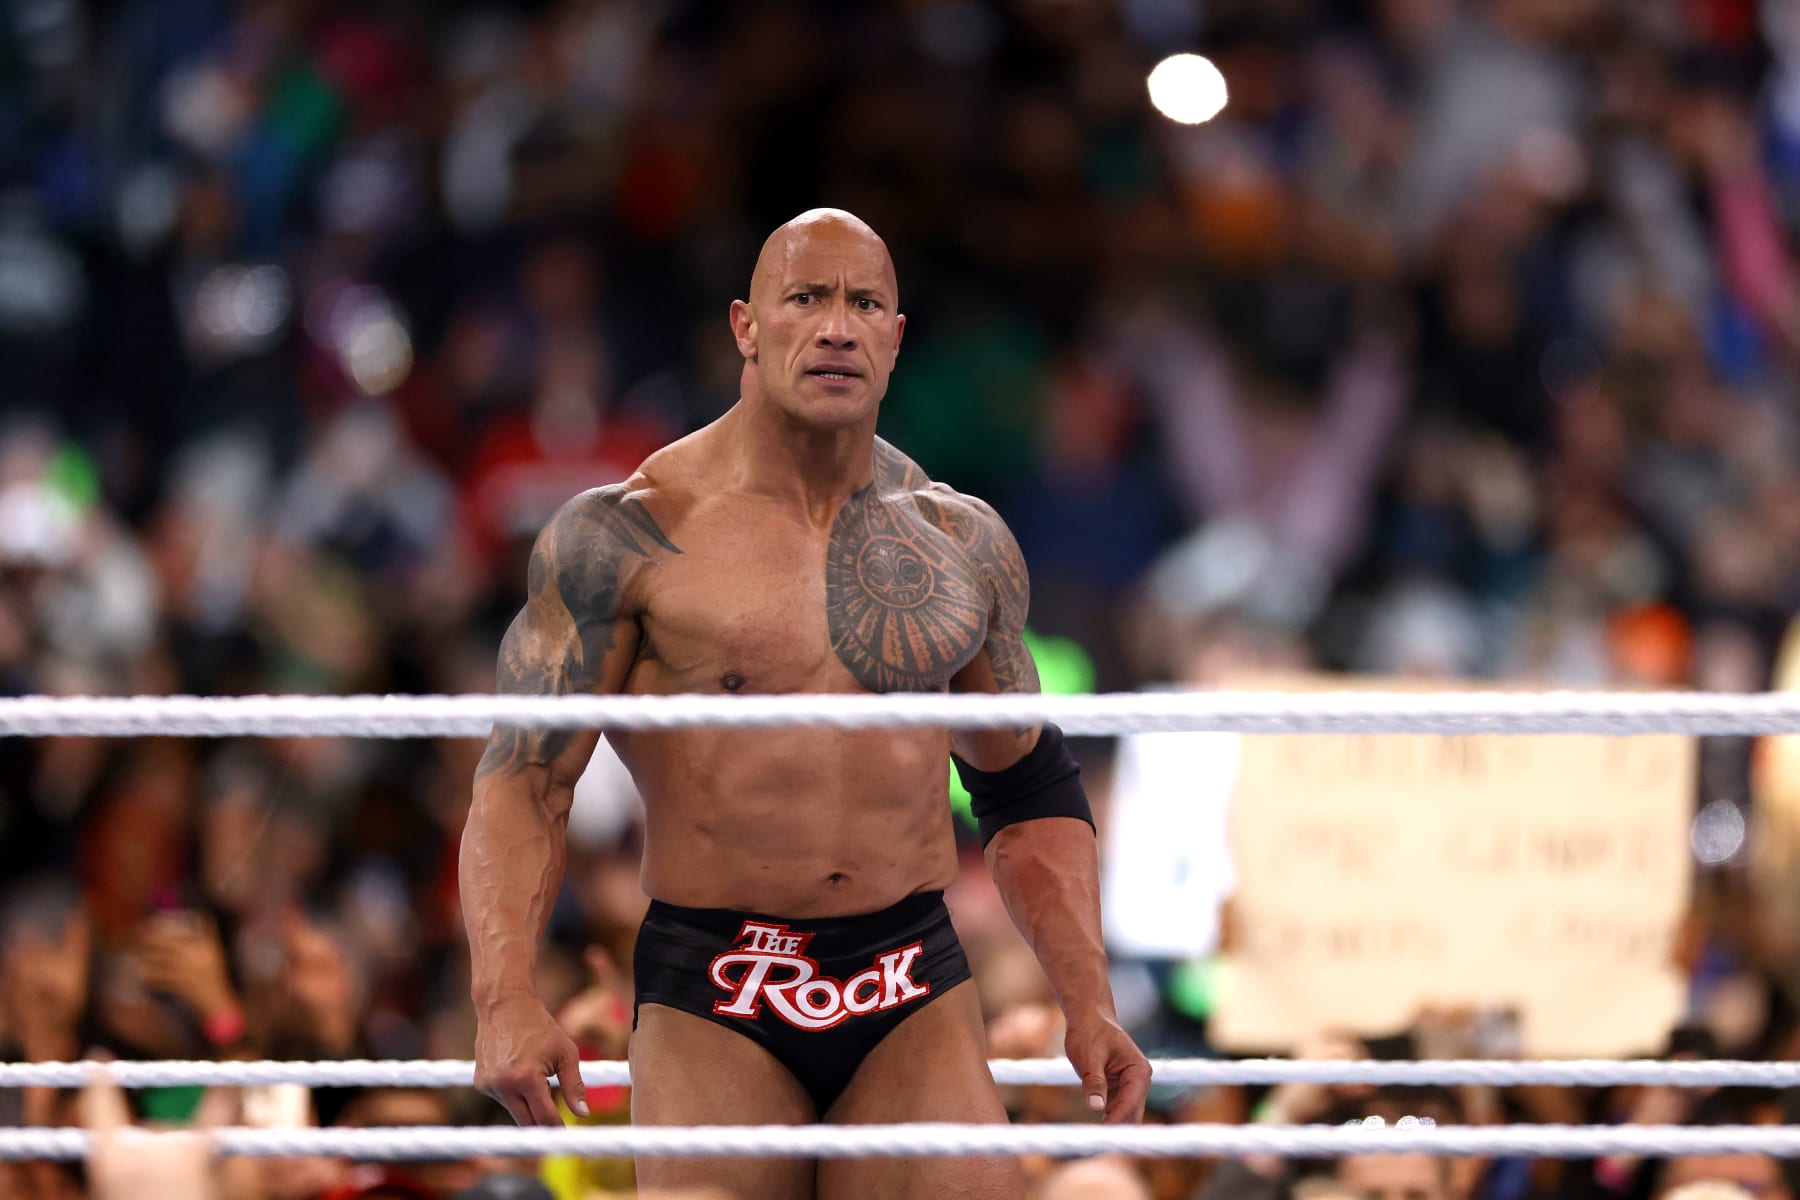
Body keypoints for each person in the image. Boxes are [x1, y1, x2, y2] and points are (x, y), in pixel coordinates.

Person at [460, 208, 1151, 1198]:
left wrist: (1089, 999)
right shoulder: (630, 535)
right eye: (807, 299)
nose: (837, 326)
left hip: (906, 974)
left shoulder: (959, 543)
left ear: (897, 337)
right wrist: (504, 995)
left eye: (865, 302)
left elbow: (1027, 786)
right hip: (719, 981)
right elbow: (525, 782)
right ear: (747, 326)